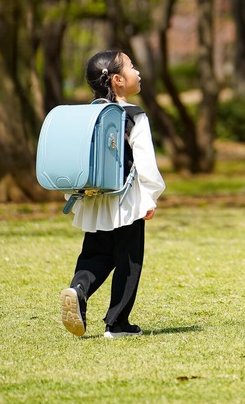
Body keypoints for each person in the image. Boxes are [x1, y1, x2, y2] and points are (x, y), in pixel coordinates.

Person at [60, 50, 166, 339]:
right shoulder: (133, 116)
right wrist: (151, 196)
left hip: (94, 198)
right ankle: (117, 323)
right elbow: (145, 162)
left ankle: (79, 288)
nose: (138, 72)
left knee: (96, 253)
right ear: (118, 80)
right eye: (132, 67)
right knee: (129, 260)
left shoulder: (88, 116)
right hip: (127, 199)